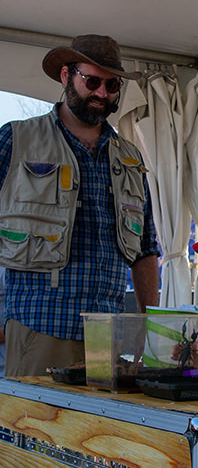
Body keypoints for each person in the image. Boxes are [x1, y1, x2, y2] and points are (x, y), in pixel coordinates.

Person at [0, 34, 160, 377]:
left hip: (109, 339)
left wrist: (150, 326)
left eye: (112, 84)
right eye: (92, 81)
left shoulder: (130, 158)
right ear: (65, 76)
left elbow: (146, 248)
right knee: (36, 429)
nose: (102, 93)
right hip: (39, 328)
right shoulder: (15, 140)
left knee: (98, 432)